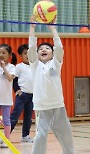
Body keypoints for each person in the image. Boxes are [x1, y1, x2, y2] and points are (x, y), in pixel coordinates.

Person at [28, 17, 74, 154]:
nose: (43, 49)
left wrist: (53, 29)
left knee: (66, 135)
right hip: (42, 107)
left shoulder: (56, 64)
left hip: (58, 105)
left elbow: (59, 47)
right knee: (40, 136)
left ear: (52, 53)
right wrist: (32, 28)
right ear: (37, 54)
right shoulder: (35, 66)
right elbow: (31, 48)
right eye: (41, 48)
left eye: (47, 48)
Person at [10, 44, 34, 143]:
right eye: (25, 53)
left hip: (32, 95)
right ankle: (6, 135)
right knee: (15, 115)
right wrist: (17, 90)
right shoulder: (19, 67)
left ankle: (25, 135)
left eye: (29, 53)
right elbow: (14, 80)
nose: (27, 55)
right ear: (21, 55)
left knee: (28, 116)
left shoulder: (35, 66)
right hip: (22, 95)